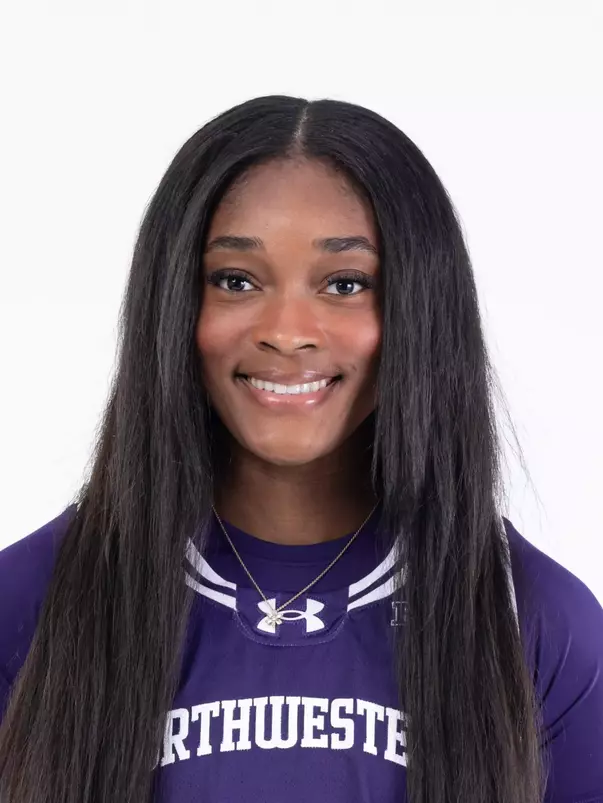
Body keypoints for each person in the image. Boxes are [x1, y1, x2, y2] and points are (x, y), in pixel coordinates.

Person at [0, 95, 601, 803]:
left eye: (344, 284)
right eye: (235, 280)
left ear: (418, 306)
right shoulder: (31, 601)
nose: (287, 330)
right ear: (173, 306)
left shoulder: (530, 618)